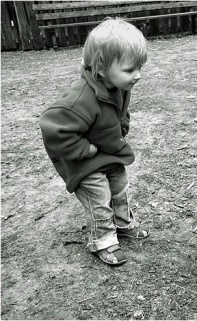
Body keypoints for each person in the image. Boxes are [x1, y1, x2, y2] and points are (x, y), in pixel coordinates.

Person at [39, 17, 149, 266]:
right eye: (130, 69)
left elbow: (119, 109)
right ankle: (103, 240)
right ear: (101, 68)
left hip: (108, 153)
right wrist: (83, 149)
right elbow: (52, 128)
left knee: (120, 187)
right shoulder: (81, 98)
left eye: (140, 67)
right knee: (99, 199)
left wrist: (122, 121)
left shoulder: (117, 86)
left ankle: (122, 224)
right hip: (85, 162)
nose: (138, 75)